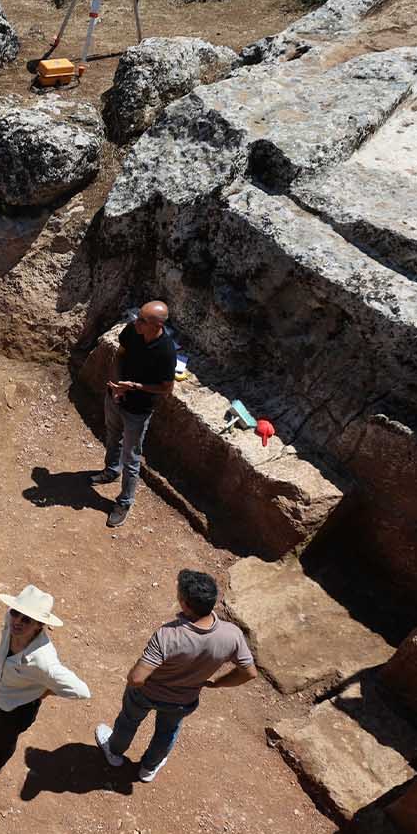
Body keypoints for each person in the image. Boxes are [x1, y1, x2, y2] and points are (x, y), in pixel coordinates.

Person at [95, 569, 257, 783]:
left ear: (185, 604)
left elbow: (136, 678)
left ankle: (114, 752)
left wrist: (135, 678)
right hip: (184, 700)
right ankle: (148, 768)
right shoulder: (232, 635)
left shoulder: (168, 635)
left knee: (128, 721)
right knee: (167, 732)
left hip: (146, 694)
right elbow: (249, 672)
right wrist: (217, 683)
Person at [0, 585, 90, 778]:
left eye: (27, 619)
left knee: (3, 742)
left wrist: (43, 693)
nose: (17, 621)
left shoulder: (43, 661)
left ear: (39, 625)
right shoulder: (10, 620)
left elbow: (81, 690)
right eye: (15, 613)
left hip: (15, 706)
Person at [90, 300, 177, 528]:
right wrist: (117, 386)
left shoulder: (166, 351)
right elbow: (119, 355)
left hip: (138, 410)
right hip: (116, 398)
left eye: (142, 320)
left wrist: (134, 387)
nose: (136, 322)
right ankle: (111, 471)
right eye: (138, 317)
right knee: (112, 435)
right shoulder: (133, 330)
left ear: (157, 325)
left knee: (131, 458)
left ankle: (124, 502)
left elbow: (166, 388)